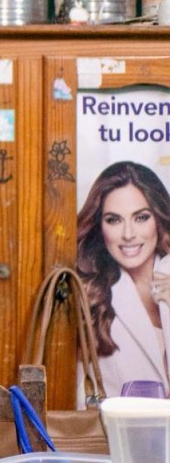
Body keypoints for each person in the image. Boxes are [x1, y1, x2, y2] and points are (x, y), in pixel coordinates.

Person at [77, 160, 170, 398]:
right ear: (99, 226)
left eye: (141, 217)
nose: (128, 234)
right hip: (119, 424)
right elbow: (77, 400)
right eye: (114, 220)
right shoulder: (90, 295)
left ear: (158, 219)